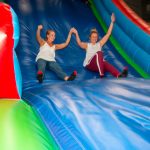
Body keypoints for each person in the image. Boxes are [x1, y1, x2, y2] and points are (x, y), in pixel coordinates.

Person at [72, 13, 128, 78]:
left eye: (96, 37)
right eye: (93, 37)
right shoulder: (87, 45)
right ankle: (101, 74)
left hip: (98, 66)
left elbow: (108, 34)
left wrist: (112, 22)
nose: (94, 38)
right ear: (90, 38)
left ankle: (119, 75)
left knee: (105, 63)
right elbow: (79, 43)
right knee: (99, 53)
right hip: (89, 65)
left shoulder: (99, 44)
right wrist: (76, 33)